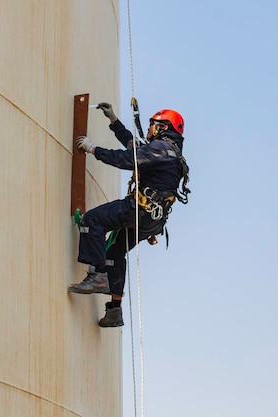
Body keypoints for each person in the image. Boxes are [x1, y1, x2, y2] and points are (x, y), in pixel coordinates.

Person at [68, 102, 190, 327]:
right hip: (152, 220)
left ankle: (99, 277)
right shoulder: (167, 150)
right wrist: (114, 121)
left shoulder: (161, 148)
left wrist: (94, 150)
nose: (150, 129)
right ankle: (114, 310)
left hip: (140, 209)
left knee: (92, 220)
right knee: (114, 252)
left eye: (153, 125)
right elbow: (133, 147)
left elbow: (128, 158)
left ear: (163, 127)